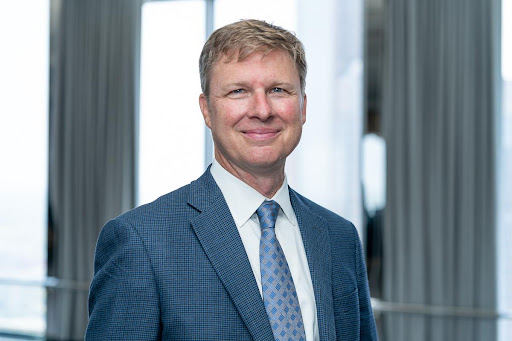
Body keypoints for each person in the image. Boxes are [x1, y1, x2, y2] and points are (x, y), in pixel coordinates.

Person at [85, 19, 378, 341]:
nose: (262, 110)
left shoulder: (339, 237)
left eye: (278, 90)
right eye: (238, 91)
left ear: (303, 107)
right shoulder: (141, 241)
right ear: (207, 110)